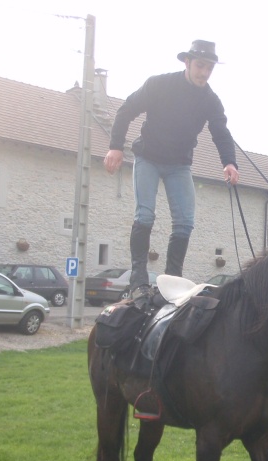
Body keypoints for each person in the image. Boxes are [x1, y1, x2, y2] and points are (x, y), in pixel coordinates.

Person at [104, 40, 240, 301]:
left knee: (185, 222)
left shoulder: (210, 100)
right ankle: (138, 280)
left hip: (179, 165)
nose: (204, 73)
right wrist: (115, 147)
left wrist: (229, 162)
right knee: (145, 215)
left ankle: (173, 280)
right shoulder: (159, 85)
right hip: (148, 158)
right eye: (200, 66)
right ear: (187, 62)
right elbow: (126, 110)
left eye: (209, 68)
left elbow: (221, 132)